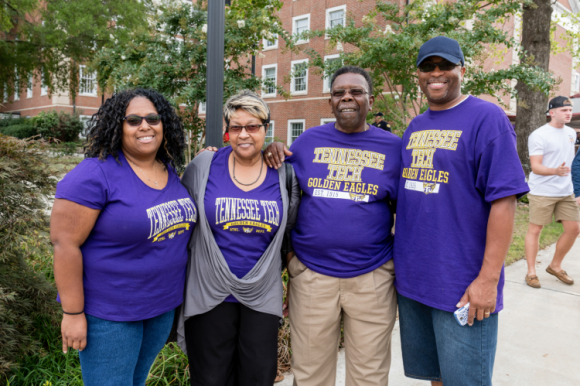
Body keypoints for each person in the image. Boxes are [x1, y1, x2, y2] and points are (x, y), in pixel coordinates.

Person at [393, 36, 529, 386]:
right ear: (418, 75)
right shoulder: (415, 126)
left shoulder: (487, 119)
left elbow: (504, 200)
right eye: (428, 67)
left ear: (462, 70)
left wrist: (488, 279)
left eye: (445, 66)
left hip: (463, 283)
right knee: (437, 377)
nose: (436, 74)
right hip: (416, 282)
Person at [264, 66, 402, 386]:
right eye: (339, 93)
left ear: (370, 99)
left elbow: (410, 212)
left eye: (355, 91)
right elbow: (276, 183)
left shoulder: (393, 147)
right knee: (311, 376)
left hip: (372, 277)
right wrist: (270, 148)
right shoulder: (309, 141)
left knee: (369, 376)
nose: (347, 98)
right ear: (330, 101)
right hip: (312, 276)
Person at [51, 88, 197, 386]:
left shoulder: (167, 169)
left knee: (136, 381)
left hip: (159, 307)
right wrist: (73, 313)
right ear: (118, 126)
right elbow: (65, 244)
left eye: (153, 119)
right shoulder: (94, 174)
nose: (145, 126)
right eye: (133, 120)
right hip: (111, 313)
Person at [176, 90, 300, 386]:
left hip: (261, 294)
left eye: (253, 126)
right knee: (210, 379)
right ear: (226, 132)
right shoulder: (203, 167)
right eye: (236, 127)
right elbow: (181, 222)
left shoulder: (284, 175)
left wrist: (291, 285)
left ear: (266, 129)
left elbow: (291, 234)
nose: (244, 134)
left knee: (259, 376)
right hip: (209, 292)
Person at [524, 96, 580, 288]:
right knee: (536, 230)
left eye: (569, 110)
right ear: (552, 112)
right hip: (543, 191)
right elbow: (536, 167)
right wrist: (555, 171)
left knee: (574, 229)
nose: (568, 113)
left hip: (565, 191)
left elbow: (570, 161)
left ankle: (555, 265)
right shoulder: (539, 135)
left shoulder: (571, 133)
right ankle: (531, 272)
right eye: (564, 110)